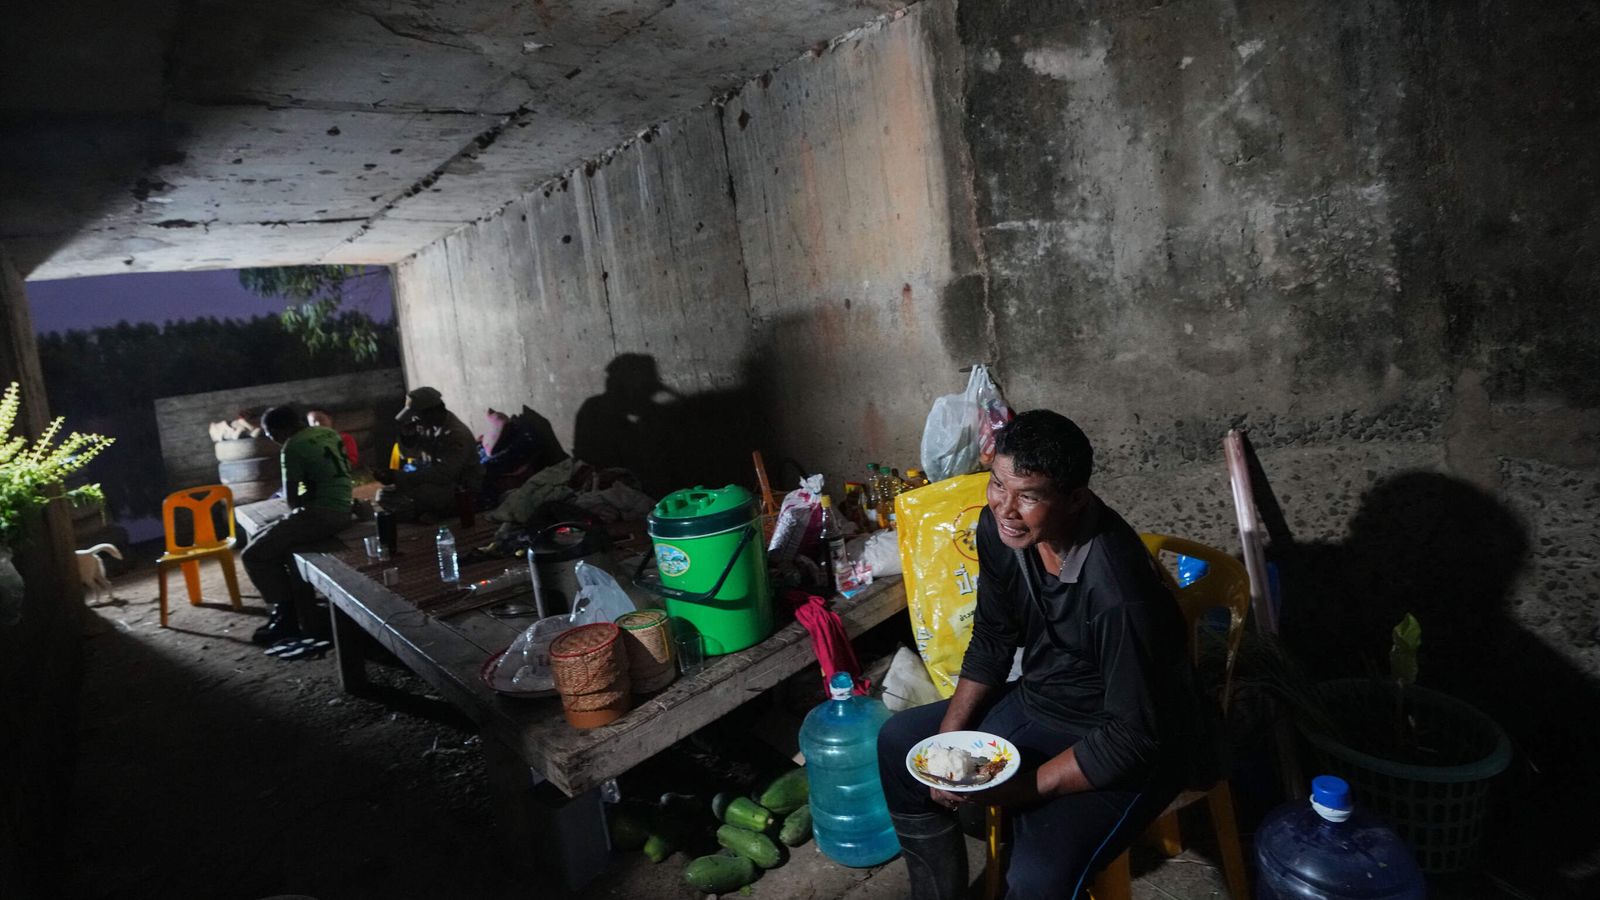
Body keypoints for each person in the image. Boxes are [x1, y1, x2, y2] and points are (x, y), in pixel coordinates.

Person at [876, 410, 1190, 900]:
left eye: (1029, 497)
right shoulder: (1003, 531)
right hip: (1041, 699)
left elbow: (1134, 738)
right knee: (900, 744)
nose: (1006, 508)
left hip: (1126, 739)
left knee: (1036, 879)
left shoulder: (1118, 593)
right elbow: (994, 638)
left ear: (1074, 499)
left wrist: (1020, 789)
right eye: (998, 485)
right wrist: (947, 742)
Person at [242, 404, 354, 656]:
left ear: (280, 430)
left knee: (254, 554)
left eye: (272, 436)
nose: (274, 442)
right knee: (267, 536)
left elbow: (291, 500)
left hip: (320, 515)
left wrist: (303, 501)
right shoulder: (328, 433)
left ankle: (287, 616)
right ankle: (290, 608)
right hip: (344, 508)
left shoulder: (293, 447)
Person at [374, 386, 482, 521]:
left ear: (431, 412)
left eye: (417, 415)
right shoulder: (428, 427)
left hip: (461, 488)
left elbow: (444, 475)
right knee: (383, 495)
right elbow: (409, 454)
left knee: (421, 494)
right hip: (436, 483)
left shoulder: (456, 435)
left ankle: (427, 512)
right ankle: (422, 512)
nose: (415, 420)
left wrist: (400, 477)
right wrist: (408, 437)